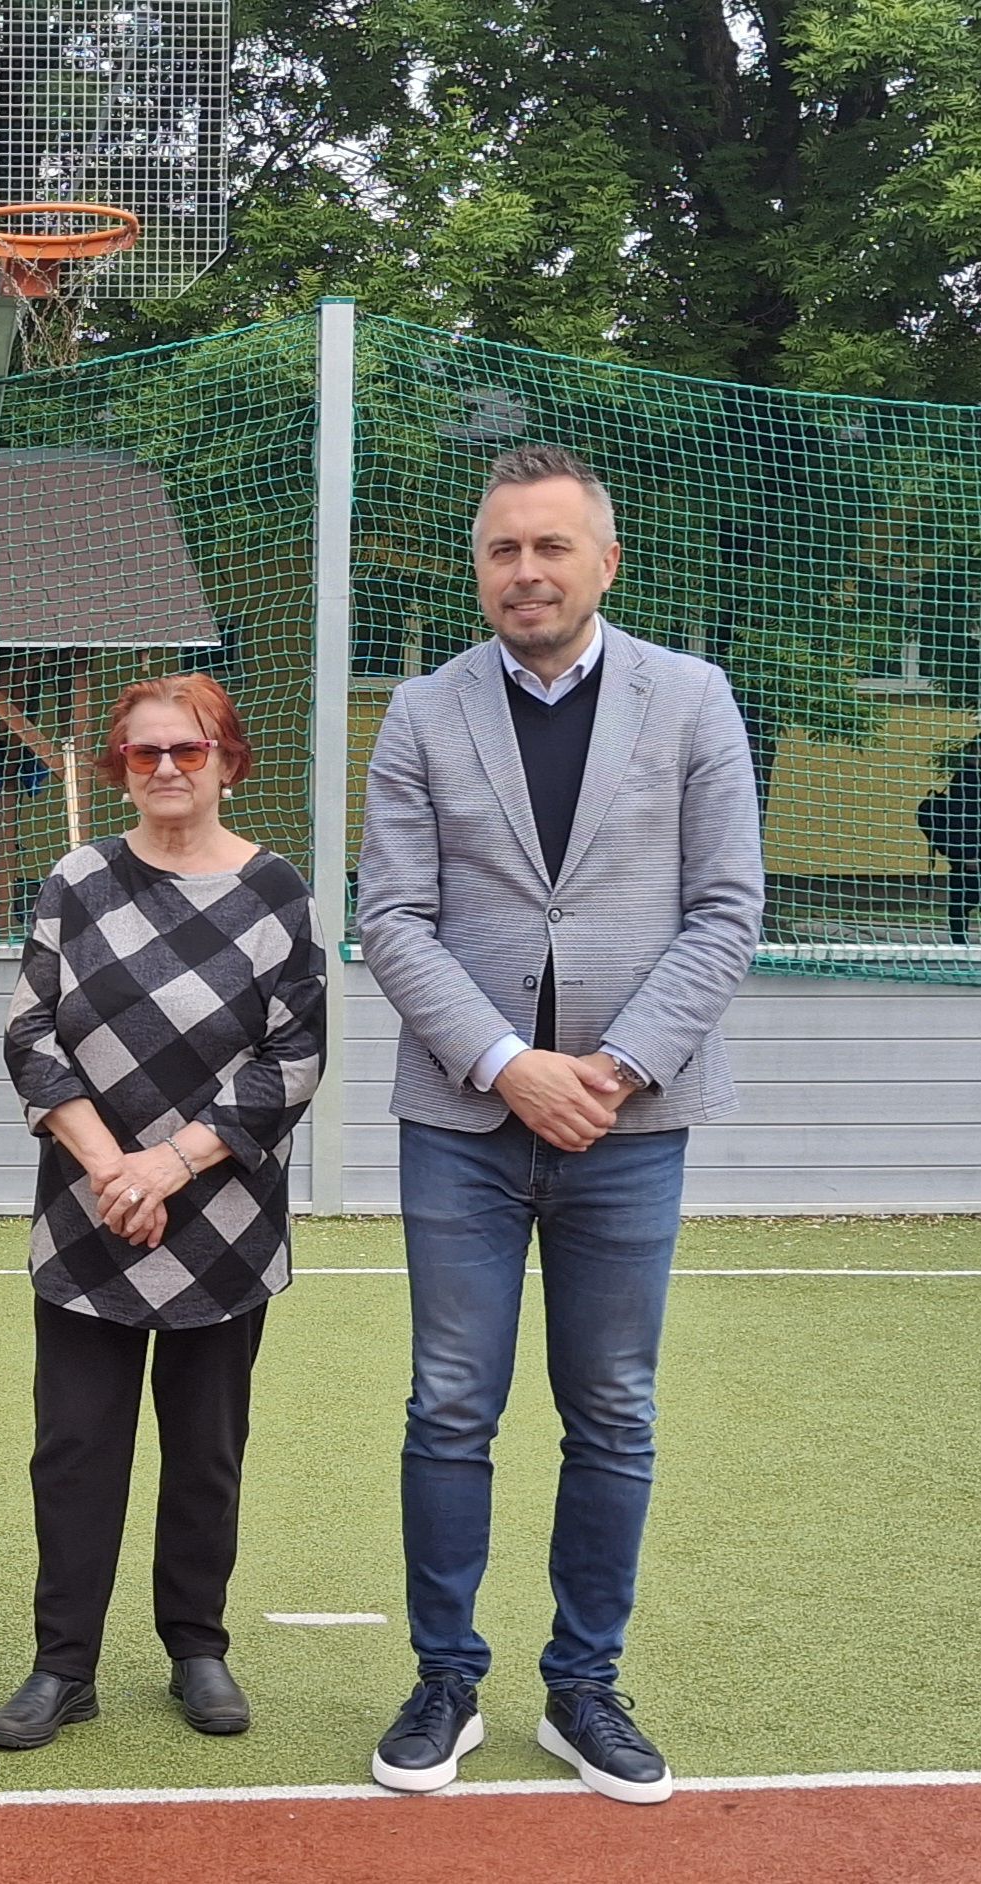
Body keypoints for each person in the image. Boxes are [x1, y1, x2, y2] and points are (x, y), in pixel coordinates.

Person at [358, 445, 763, 1805]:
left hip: (630, 1126)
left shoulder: (690, 699)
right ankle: (444, 1682)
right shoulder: (422, 711)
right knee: (448, 1406)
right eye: (500, 550)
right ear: (478, 570)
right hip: (461, 1121)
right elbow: (392, 919)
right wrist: (504, 1063)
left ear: (604, 562)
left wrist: (617, 1067)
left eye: (547, 547)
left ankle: (583, 1688)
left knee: (612, 1409)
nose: (523, 572)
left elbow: (724, 911)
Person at [0, 673, 326, 1752]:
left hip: (221, 1224)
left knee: (205, 1452)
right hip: (87, 1216)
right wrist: (111, 1172)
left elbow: (292, 1058)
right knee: (73, 1450)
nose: (168, 769)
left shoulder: (275, 891)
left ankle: (196, 1649)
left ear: (228, 761)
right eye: (145, 753)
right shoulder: (76, 880)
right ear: (119, 770)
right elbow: (30, 1037)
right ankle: (62, 1666)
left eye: (189, 750)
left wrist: (168, 1168)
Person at [919, 735, 981, 945]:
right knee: (965, 898)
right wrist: (969, 855)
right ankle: (959, 943)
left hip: (966, 851)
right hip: (969, 852)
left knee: (964, 897)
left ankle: (959, 942)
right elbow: (964, 820)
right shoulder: (968, 779)